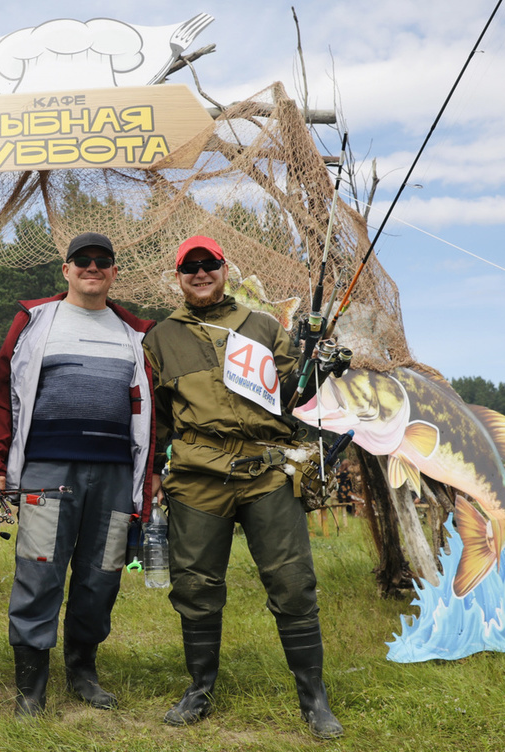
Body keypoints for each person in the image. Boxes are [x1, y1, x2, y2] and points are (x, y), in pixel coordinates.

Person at [141, 235, 343, 740]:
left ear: (223, 269)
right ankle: (199, 688)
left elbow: (295, 397)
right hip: (196, 475)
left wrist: (319, 362)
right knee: (194, 586)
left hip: (268, 470)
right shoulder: (159, 338)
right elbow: (157, 417)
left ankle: (313, 699)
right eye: (190, 267)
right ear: (179, 276)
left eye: (209, 264)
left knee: (293, 584)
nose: (201, 273)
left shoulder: (263, 326)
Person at [0, 232, 156, 717]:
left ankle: (82, 671)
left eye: (102, 261)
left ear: (114, 272)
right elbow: (0, 396)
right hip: (47, 470)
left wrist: (152, 479)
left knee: (103, 575)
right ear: (66, 269)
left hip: (116, 475)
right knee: (39, 570)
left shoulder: (136, 333)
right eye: (82, 260)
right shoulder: (34, 321)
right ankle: (30, 690)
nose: (92, 267)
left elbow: (156, 414)